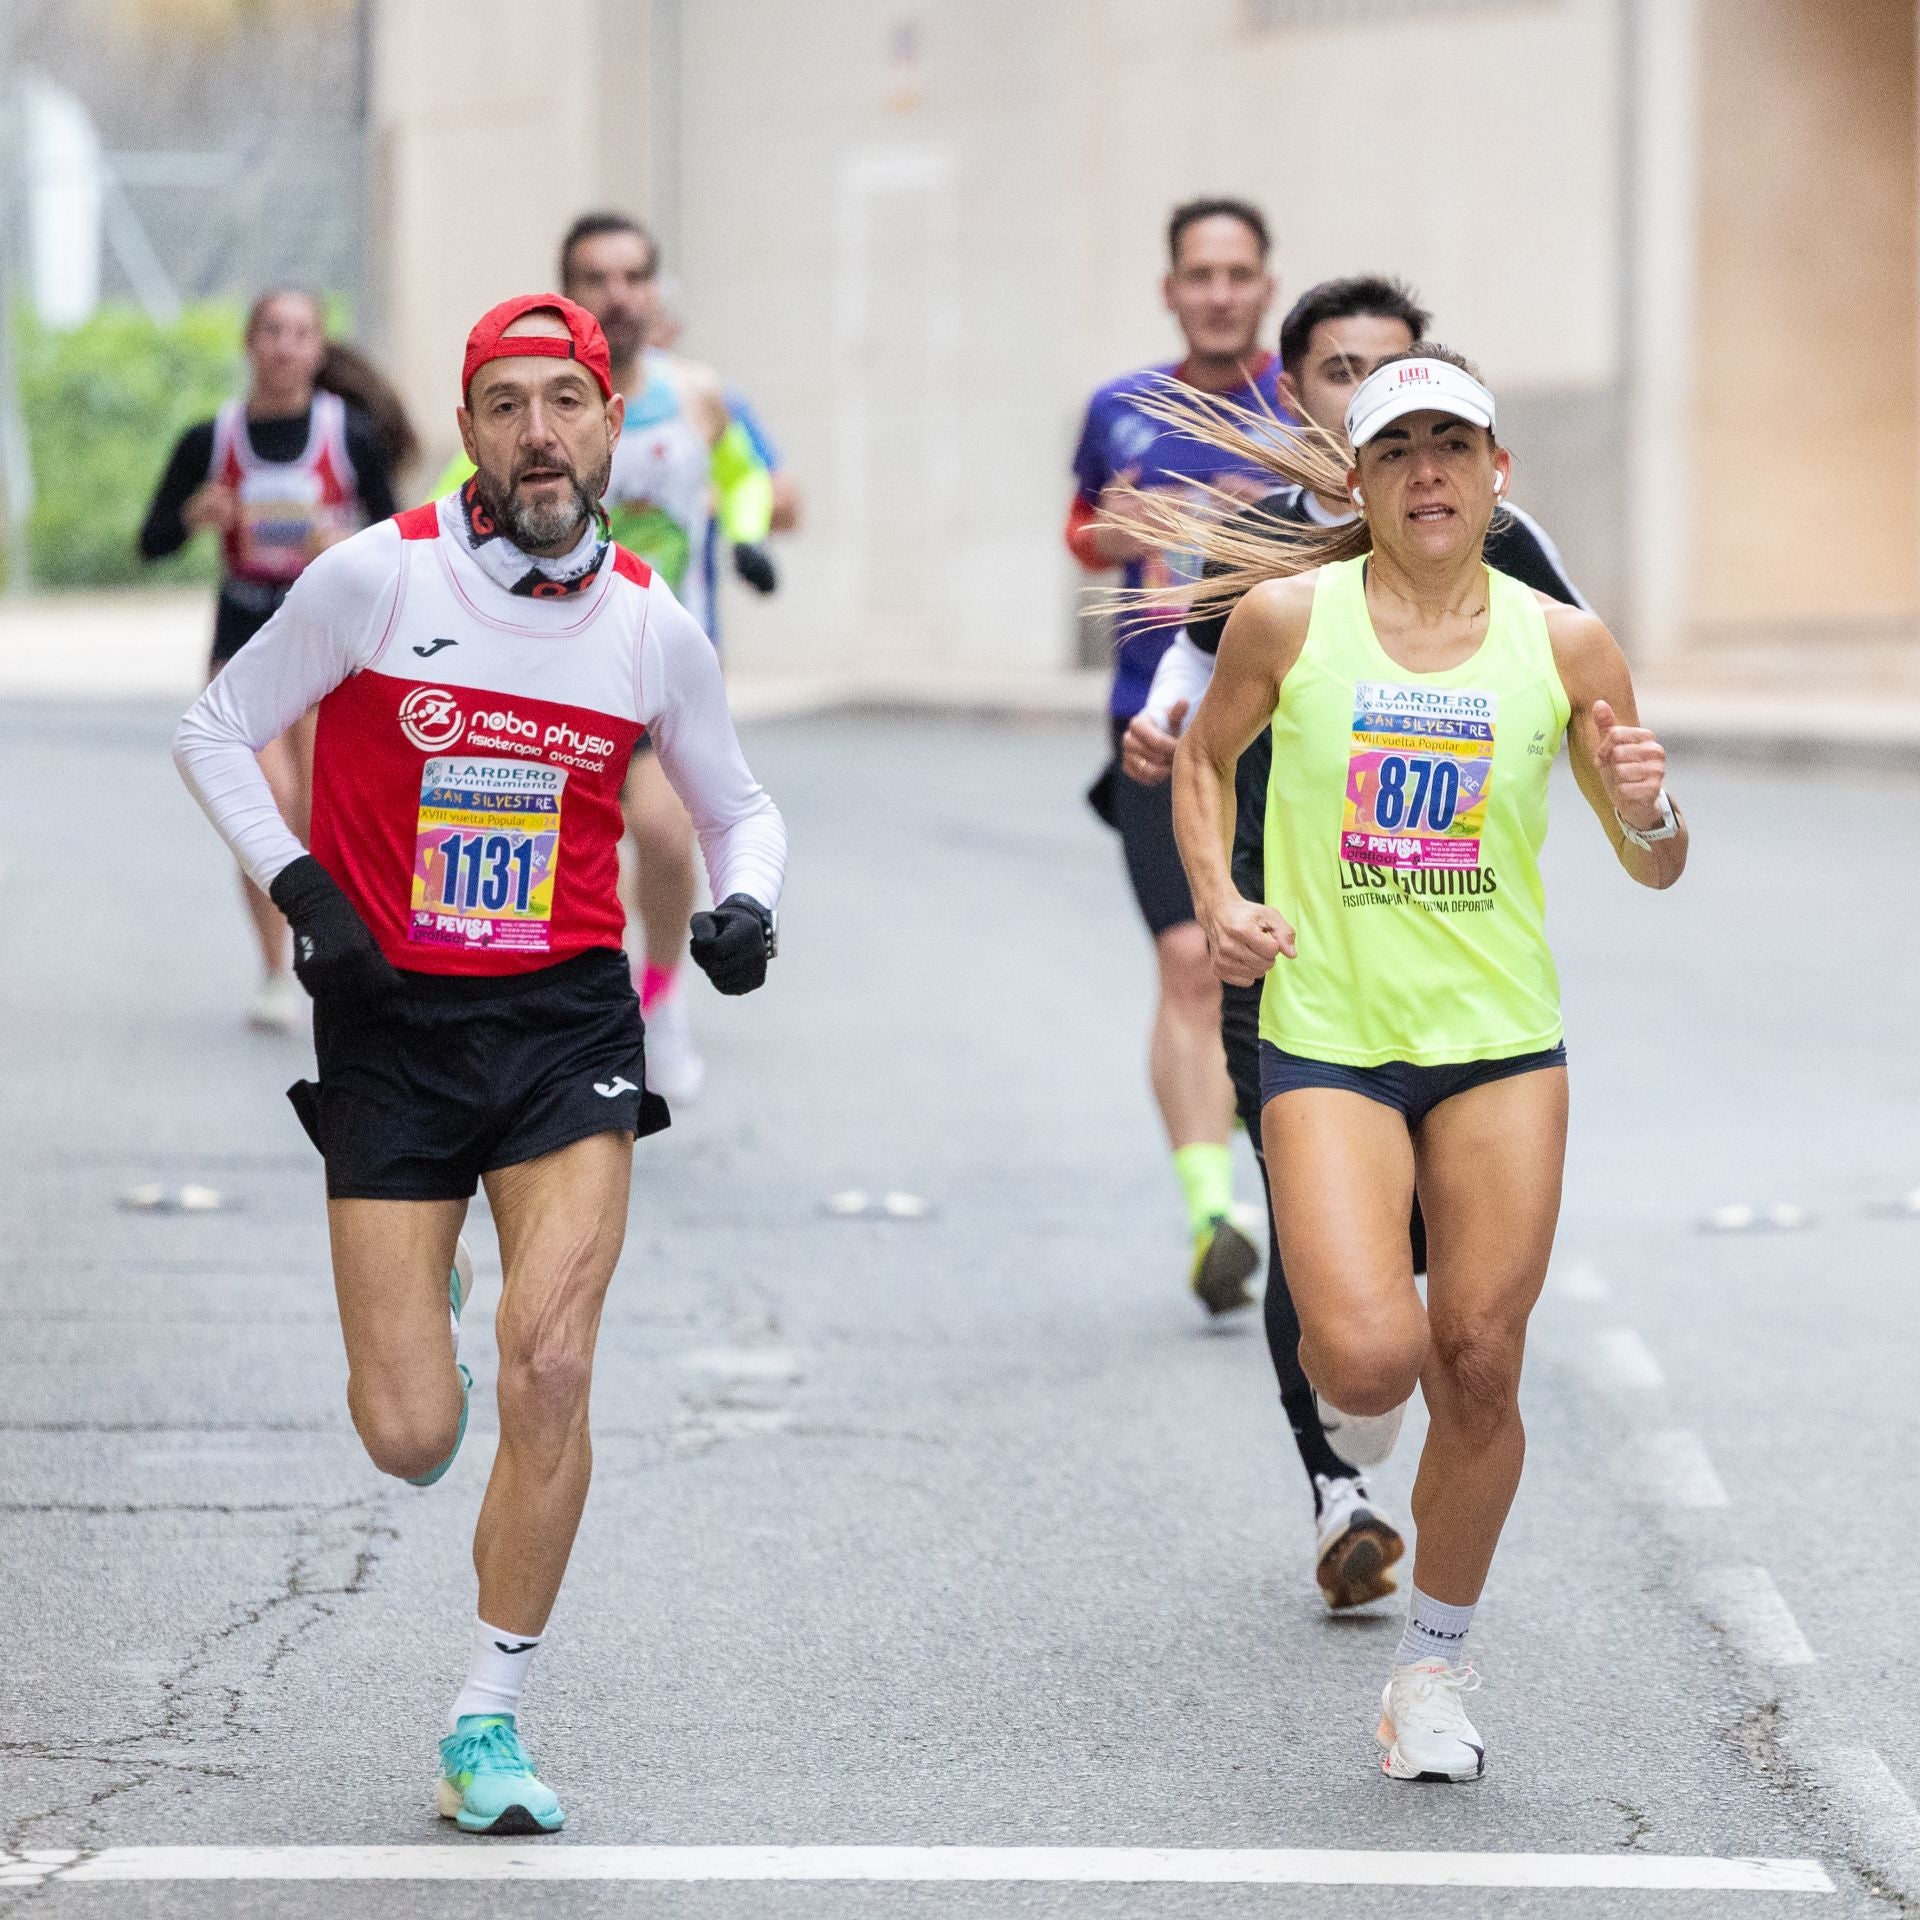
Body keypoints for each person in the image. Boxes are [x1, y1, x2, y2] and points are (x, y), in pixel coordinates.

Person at [172, 294, 786, 1833]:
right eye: (505, 404)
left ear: (605, 418)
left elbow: (740, 808)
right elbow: (216, 726)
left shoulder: (652, 622)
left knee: (557, 1362)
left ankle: (488, 1715)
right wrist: (304, 892)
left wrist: (744, 906)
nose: (538, 432)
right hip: (389, 1017)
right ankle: (426, 1316)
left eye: (565, 401)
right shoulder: (376, 579)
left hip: (567, 1018)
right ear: (468, 431)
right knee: (413, 1436)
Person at [1169, 348, 1684, 1780]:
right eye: (1399, 452)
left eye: (1456, 447)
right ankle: (1346, 1392)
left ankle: (1433, 1674)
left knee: (1479, 1357)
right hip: (1328, 1033)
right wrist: (1218, 902)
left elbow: (1654, 863)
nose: (1431, 474)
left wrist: (1652, 807)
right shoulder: (1288, 619)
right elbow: (1206, 763)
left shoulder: (1565, 645)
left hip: (1503, 1046)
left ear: (1499, 475)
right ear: (1360, 481)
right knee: (1374, 1355)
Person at [1120, 277, 1588, 1612]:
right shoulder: (1263, 554)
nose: (1385, 415)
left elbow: (1576, 687)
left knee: (1452, 1297)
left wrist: (1634, 787)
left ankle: (1426, 1599)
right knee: (1337, 1262)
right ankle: (1340, 1479)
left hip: (1455, 972)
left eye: (1403, 379)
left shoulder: (1510, 548)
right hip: (1295, 944)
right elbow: (1182, 696)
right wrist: (1173, 777)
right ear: (1309, 402)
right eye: (1343, 374)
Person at [1066, 197, 1283, 1314]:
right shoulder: (1123, 408)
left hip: (1281, 731)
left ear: (1266, 286)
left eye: (1238, 273)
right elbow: (1082, 532)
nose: (1218, 291)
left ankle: (1281, 1159)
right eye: (1199, 273)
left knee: (1272, 966)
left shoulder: (1303, 399)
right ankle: (1214, 1214)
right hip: (1153, 729)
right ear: (1170, 289)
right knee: (1191, 961)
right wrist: (1146, 518)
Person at [141, 289, 407, 1032]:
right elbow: (151, 539)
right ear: (250, 344)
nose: (285, 347)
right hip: (246, 631)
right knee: (263, 803)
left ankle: (342, 953)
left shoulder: (347, 434)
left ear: (320, 350)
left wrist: (344, 540)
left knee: (324, 813)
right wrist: (196, 515)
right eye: (272, 331)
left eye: (300, 333)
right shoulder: (212, 438)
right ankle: (272, 968)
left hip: (328, 638)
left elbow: (400, 537)